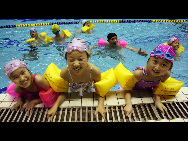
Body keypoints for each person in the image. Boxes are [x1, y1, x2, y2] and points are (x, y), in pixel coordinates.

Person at [47, 38, 106, 120]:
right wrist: (55, 106)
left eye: (80, 59)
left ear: (88, 57)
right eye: (71, 60)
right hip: (72, 92)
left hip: (90, 91)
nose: (76, 64)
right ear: (66, 60)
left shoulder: (94, 72)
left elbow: (100, 90)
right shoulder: (65, 73)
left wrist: (101, 105)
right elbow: (63, 92)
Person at [119, 44, 175, 116]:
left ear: (169, 68)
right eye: (155, 62)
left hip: (146, 90)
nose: (157, 68)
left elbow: (158, 87)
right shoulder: (139, 74)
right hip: (130, 90)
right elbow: (126, 89)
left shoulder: (166, 75)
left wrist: (158, 101)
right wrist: (128, 104)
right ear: (148, 61)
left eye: (164, 65)